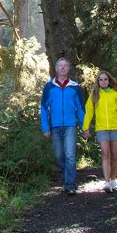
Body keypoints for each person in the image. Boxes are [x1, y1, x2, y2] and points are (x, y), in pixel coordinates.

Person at [40, 57, 85, 194]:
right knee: (59, 156)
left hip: (70, 125)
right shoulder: (49, 87)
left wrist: (85, 126)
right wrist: (45, 127)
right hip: (55, 125)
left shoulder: (75, 87)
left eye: (65, 66)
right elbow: (43, 108)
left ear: (69, 68)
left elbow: (81, 108)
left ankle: (70, 184)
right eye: (60, 66)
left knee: (70, 155)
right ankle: (67, 178)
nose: (63, 68)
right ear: (56, 68)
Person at [81, 69, 117, 193]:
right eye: (101, 80)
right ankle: (107, 182)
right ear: (98, 82)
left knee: (114, 155)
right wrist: (85, 127)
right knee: (105, 154)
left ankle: (113, 179)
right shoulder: (95, 95)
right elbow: (89, 112)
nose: (103, 81)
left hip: (115, 128)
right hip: (101, 128)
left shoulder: (115, 94)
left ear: (109, 81)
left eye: (105, 79)